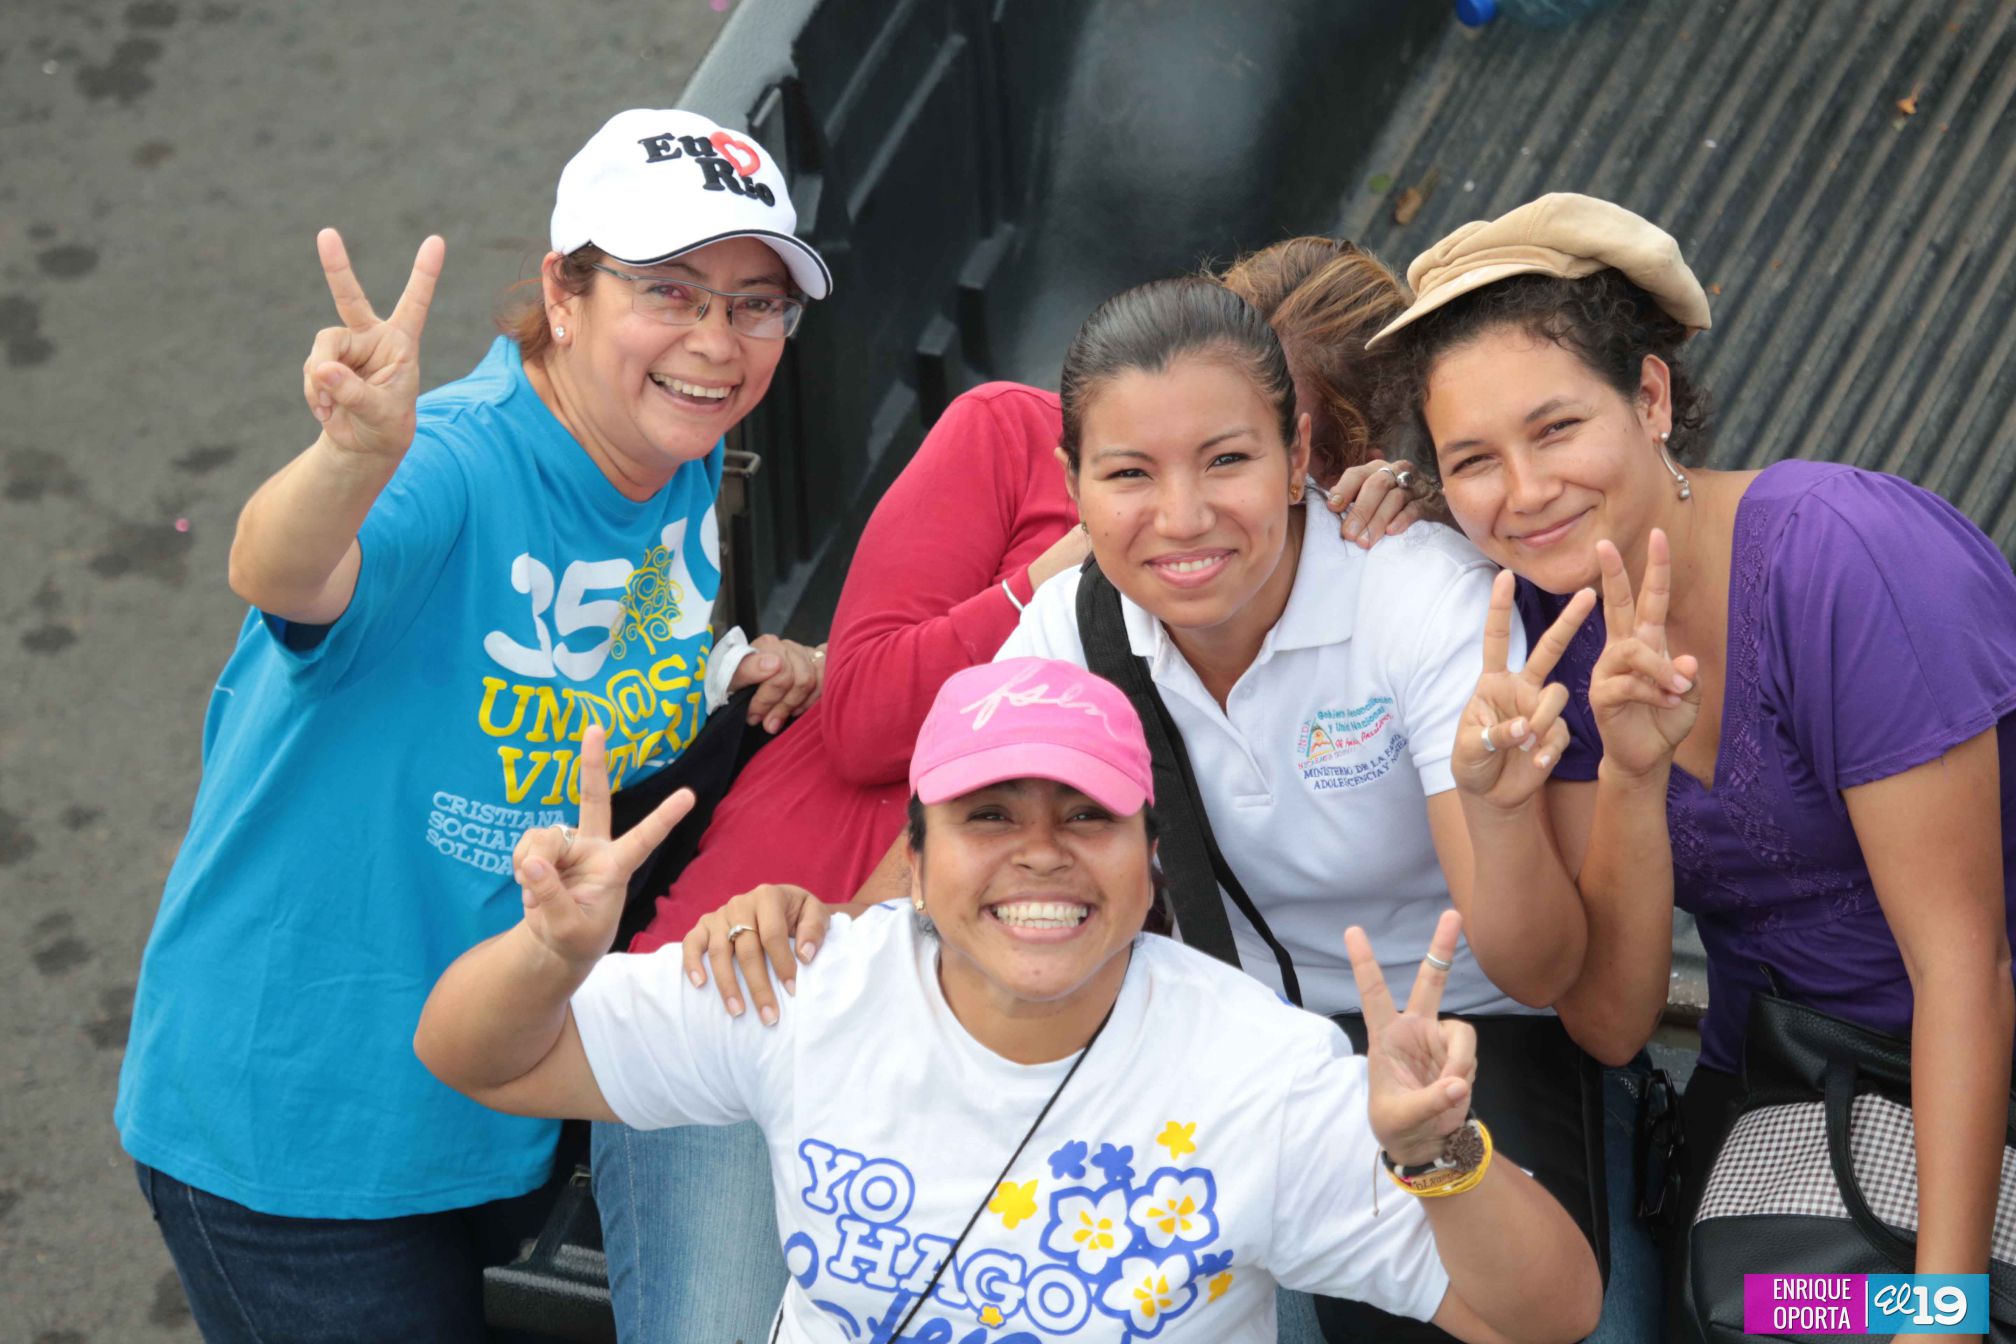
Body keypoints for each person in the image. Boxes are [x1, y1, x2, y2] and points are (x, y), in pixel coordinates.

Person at [600, 237, 1432, 1344]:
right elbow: (859, 718)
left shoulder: (1335, 600)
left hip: (1030, 1009)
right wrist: (1055, 577)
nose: (1180, 501)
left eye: (1231, 447)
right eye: (1134, 453)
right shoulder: (1021, 458)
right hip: (780, 943)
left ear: (1309, 460)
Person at [113, 108, 829, 1340]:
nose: (718, 343)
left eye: (756, 303)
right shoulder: (449, 463)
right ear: (565, 292)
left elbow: (619, 647)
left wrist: (738, 671)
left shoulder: (678, 451)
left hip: (504, 1087)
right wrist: (352, 457)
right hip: (303, 1138)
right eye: (671, 291)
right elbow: (285, 574)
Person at [415, 660, 1605, 1344]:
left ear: (1150, 865)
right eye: (990, 817)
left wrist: (1440, 1152)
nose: (1041, 855)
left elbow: (1548, 1314)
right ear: (916, 864)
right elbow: (479, 1054)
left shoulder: (1261, 1073)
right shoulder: (811, 988)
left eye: (1084, 816)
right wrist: (553, 952)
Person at [1367, 192, 2016, 1327]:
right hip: (1794, 1089)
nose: (1522, 493)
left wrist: (1940, 1311)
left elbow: (1964, 969)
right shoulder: (1545, 637)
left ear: (1652, 397)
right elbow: (1612, 1023)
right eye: (1473, 460)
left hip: (1975, 1070)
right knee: (1769, 1315)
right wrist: (1608, 779)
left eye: (1556, 428)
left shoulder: (1845, 562)